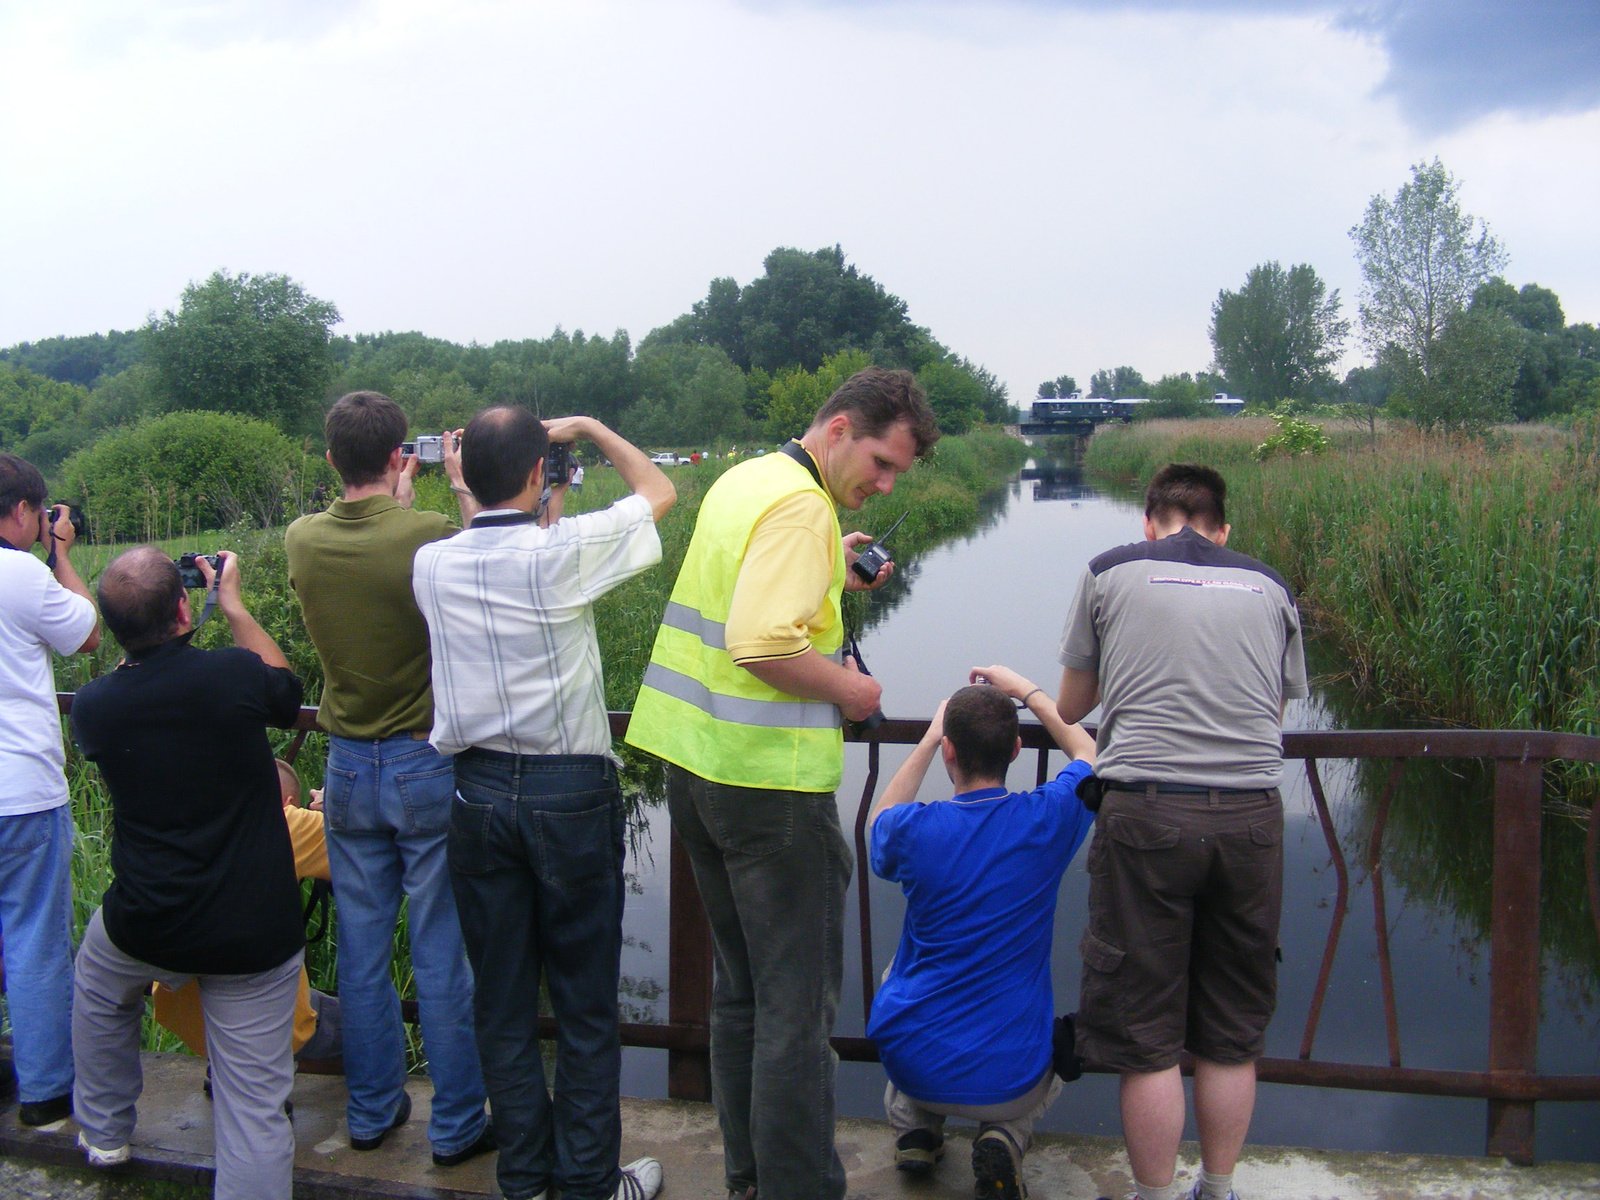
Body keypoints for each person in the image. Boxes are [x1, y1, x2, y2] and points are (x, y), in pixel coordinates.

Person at [625, 367, 940, 1200]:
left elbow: (746, 593)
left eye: (897, 473)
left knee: (743, 999)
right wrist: (854, 692)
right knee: (796, 1019)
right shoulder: (804, 505)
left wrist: (829, 569)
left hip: (695, 771)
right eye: (880, 462)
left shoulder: (751, 479)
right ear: (839, 429)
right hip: (768, 791)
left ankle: (748, 1181)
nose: (884, 482)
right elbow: (762, 644)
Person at [413, 407, 673, 1200]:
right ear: (540, 475)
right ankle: (591, 1184)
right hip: (568, 794)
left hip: (477, 793)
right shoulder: (560, 552)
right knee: (586, 1004)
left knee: (501, 998)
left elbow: (480, 540)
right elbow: (658, 491)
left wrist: (470, 486)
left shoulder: (431, 566)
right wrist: (590, 428)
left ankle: (523, 1179)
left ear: (465, 474)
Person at [1056, 464, 1308, 1200]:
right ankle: (1220, 1187)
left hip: (1148, 814)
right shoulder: (1271, 586)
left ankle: (1156, 1194)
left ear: (1148, 522)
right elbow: (1275, 712)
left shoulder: (1110, 571)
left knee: (1147, 1032)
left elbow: (1074, 705)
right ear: (1223, 530)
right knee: (1232, 1029)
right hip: (1252, 818)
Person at [284, 391, 492, 1164]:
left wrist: (392, 500)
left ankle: (371, 1113)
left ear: (332, 458)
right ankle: (458, 1121)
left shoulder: (301, 540)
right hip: (422, 761)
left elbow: (360, 543)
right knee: (441, 948)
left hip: (344, 767)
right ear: (404, 457)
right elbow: (486, 563)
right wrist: (460, 488)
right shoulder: (430, 533)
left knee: (363, 950)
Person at [69, 548, 303, 1196]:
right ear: (183, 607)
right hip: (252, 928)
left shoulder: (94, 708)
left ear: (115, 630)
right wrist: (231, 605)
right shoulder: (231, 675)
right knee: (254, 1104)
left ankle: (106, 1130)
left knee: (95, 984)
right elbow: (287, 692)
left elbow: (138, 683)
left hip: (148, 920)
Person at [866, 667, 1096, 1200]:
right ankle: (1006, 1137)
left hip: (913, 1062)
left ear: (950, 752)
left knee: (896, 974)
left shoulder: (916, 830)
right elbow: (1090, 754)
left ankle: (915, 1127)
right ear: (1017, 751)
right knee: (1050, 1026)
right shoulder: (1048, 820)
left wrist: (928, 736)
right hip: (1010, 1080)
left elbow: (882, 818)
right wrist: (1029, 693)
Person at [0, 454, 99, 1129]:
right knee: (35, 936)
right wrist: (61, 555)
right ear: (23, 512)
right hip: (22, 790)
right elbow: (88, 635)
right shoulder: (22, 575)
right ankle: (43, 1093)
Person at [151, 760, 342, 1068]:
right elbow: (364, 842)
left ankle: (223, 1070)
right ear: (290, 804)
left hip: (184, 1010)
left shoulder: (191, 820)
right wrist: (331, 806)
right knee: (359, 1026)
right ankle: (378, 1100)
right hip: (271, 1019)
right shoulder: (285, 824)